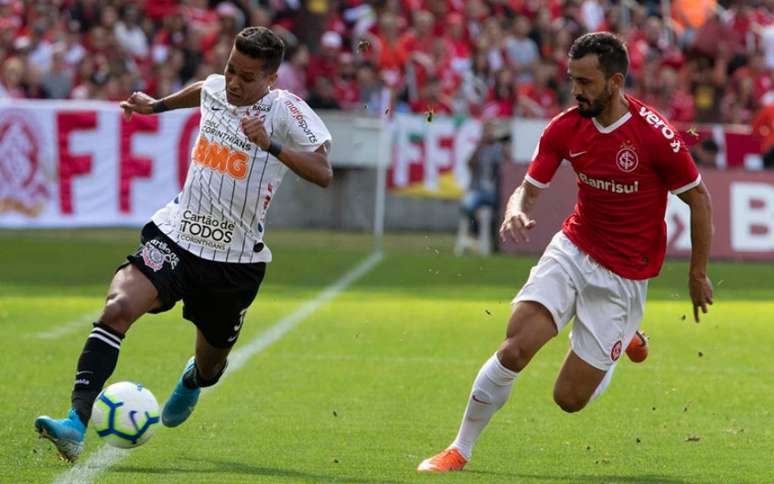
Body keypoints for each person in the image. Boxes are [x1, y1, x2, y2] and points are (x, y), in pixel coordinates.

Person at [34, 26, 333, 463]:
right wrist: (156, 106)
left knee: (211, 367)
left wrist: (270, 144)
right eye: (231, 68)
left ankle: (192, 380)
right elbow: (204, 89)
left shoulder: (287, 110)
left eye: (246, 77)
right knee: (118, 307)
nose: (233, 82)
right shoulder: (217, 87)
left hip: (233, 262)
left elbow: (323, 171)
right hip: (178, 233)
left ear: (270, 79)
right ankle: (76, 422)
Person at [418, 32, 713, 473]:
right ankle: (459, 449)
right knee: (516, 347)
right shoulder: (564, 127)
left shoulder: (655, 135)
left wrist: (697, 273)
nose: (576, 90)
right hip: (574, 249)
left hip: (624, 278)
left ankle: (624, 335)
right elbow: (528, 190)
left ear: (615, 82)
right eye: (572, 79)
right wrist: (515, 211)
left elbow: (700, 199)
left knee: (568, 399)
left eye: (586, 82)